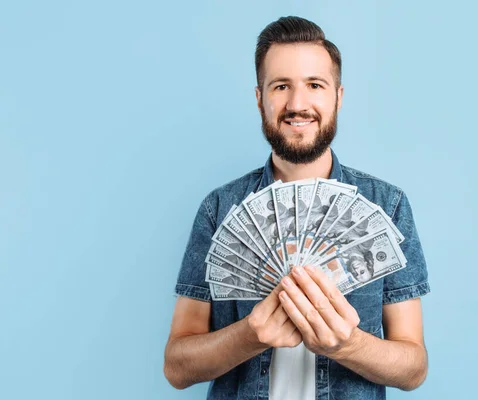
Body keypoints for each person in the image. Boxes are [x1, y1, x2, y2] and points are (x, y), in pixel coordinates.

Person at [163, 16, 430, 400]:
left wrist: (347, 345)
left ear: (338, 96)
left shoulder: (387, 205)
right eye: (281, 86)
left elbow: (414, 368)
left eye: (314, 85)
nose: (297, 104)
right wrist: (249, 336)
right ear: (260, 98)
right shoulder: (219, 209)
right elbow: (176, 365)